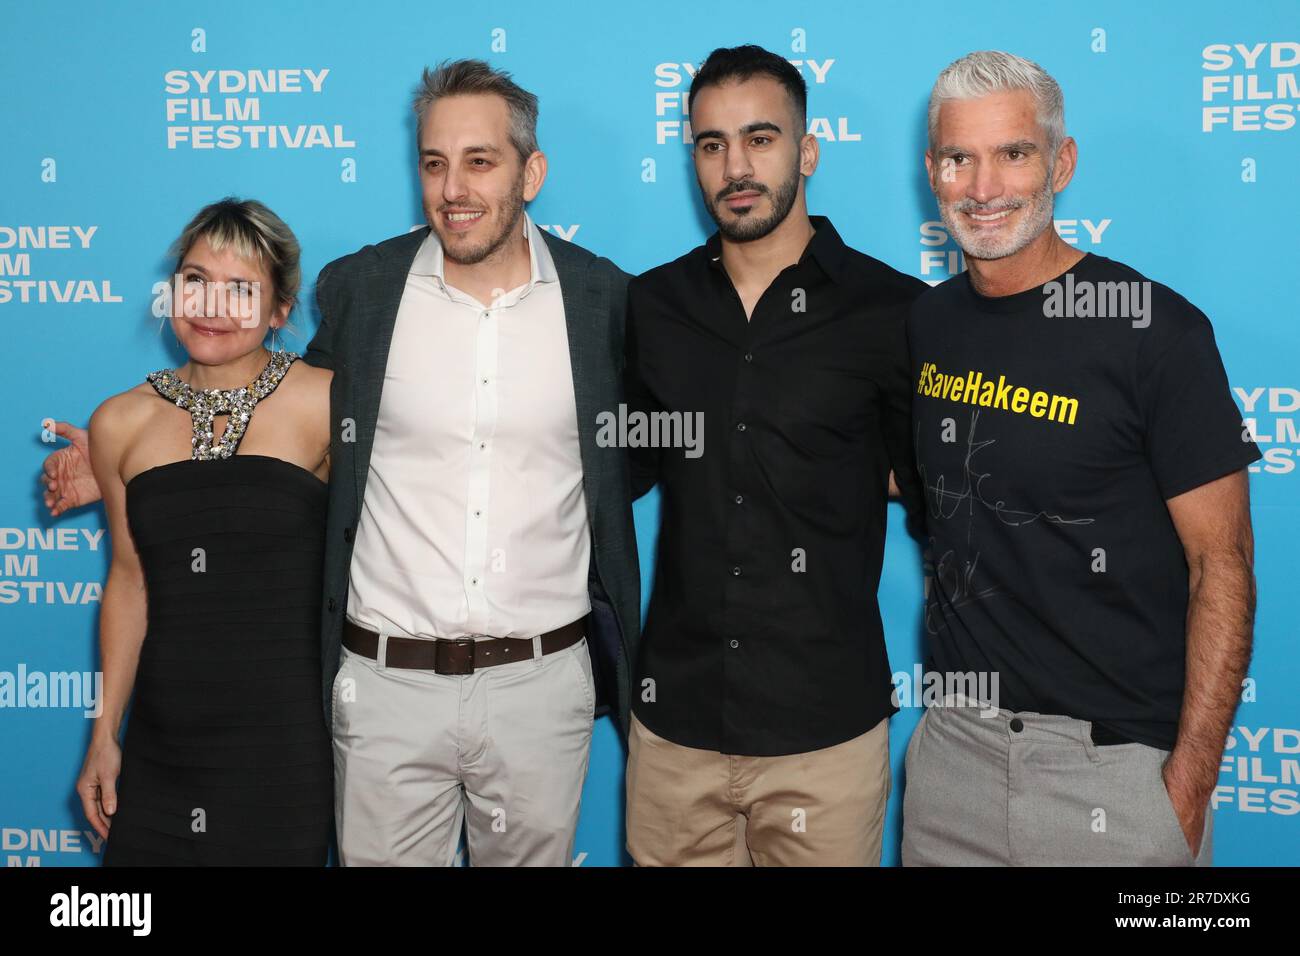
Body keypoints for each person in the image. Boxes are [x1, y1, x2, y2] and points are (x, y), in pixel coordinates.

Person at [46, 60, 640, 868]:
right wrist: (139, 454)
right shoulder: (364, 290)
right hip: (385, 686)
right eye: (434, 163)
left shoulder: (604, 300)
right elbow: (268, 416)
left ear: (531, 172)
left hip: (540, 684)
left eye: (480, 160)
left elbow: (639, 454)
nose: (453, 188)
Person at [901, 50, 1259, 866]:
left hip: (1115, 776)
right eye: (960, 158)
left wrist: (1184, 792)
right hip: (954, 762)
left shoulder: (1153, 332)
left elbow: (1223, 563)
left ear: (1060, 162)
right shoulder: (926, 326)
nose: (984, 187)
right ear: (933, 172)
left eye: (1013, 154)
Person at [622, 45, 926, 866]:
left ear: (808, 150)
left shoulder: (895, 312)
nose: (736, 166)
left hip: (825, 736)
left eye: (761, 138)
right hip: (674, 732)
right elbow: (612, 468)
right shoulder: (652, 306)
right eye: (712, 144)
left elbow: (939, 497)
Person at [71, 197, 334, 865]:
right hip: (164, 742)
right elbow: (129, 583)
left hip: (287, 745)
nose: (211, 306)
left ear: (280, 308)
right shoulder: (119, 423)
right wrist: (105, 734)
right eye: (195, 280)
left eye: (241, 288)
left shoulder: (329, 403)